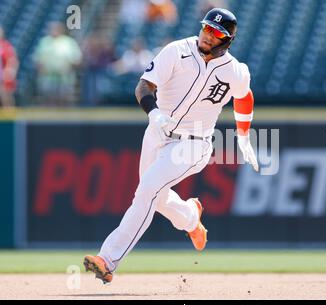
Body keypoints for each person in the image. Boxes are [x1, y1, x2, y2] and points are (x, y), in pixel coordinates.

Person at [83, 8, 258, 284]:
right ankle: (190, 217)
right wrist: (154, 114)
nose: (207, 35)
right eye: (206, 28)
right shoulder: (177, 51)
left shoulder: (235, 71)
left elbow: (244, 97)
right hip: (158, 132)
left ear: (227, 40)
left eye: (215, 33)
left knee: (148, 190)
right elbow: (143, 86)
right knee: (157, 196)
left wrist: (244, 135)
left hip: (194, 144)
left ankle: (107, 259)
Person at [33, 22, 82, 106]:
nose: (54, 31)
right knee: (48, 97)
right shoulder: (44, 41)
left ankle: (62, 117)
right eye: (52, 29)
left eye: (56, 29)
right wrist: (41, 68)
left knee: (63, 97)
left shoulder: (68, 42)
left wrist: (69, 67)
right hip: (47, 76)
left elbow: (77, 59)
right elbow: (38, 59)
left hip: (65, 76)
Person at [0, 26, 18, 108]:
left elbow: (12, 61)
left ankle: (9, 119)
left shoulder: (5, 46)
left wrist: (9, 73)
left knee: (6, 99)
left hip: (3, 79)